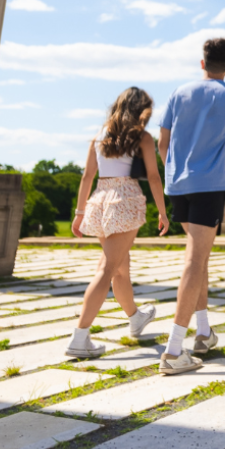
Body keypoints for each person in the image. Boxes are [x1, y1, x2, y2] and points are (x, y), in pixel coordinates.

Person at [156, 37, 225, 374]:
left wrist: (173, 173)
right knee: (195, 261)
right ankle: (172, 351)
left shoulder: (178, 93)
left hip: (178, 184)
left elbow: (162, 142)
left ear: (202, 63)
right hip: (209, 185)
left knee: (201, 256)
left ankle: (204, 332)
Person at [66, 85, 167, 359]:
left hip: (100, 198)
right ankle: (79, 337)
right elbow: (154, 177)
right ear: (141, 111)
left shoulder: (99, 137)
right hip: (125, 198)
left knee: (120, 267)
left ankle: (134, 317)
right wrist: (163, 211)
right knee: (107, 268)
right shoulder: (142, 138)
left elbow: (87, 177)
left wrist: (79, 212)